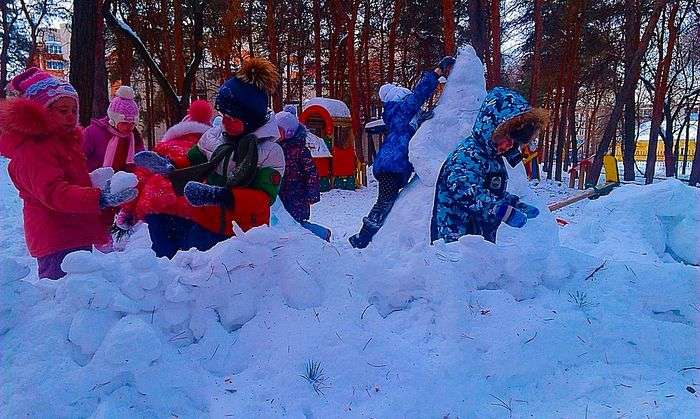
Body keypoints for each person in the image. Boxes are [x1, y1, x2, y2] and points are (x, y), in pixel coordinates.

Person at [133, 58, 285, 258]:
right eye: (223, 115)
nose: (225, 123)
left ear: (250, 121)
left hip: (245, 235)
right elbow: (193, 161)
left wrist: (219, 195)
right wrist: (170, 167)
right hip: (206, 224)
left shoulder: (269, 152)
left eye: (233, 118)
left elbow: (264, 199)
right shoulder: (214, 137)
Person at [0, 68, 138, 279]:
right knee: (63, 297)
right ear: (39, 112)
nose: (70, 117)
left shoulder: (64, 144)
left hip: (77, 229)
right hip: (55, 238)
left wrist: (95, 183)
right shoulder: (32, 150)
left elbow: (69, 181)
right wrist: (99, 198)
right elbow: (54, 192)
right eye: (63, 111)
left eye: (74, 111)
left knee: (81, 292)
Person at [349, 56, 456, 248]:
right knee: (384, 203)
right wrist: (438, 71)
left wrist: (422, 120)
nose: (411, 102)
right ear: (401, 99)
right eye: (407, 99)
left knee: (387, 202)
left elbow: (410, 131)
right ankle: (363, 238)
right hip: (392, 166)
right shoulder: (402, 110)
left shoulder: (400, 116)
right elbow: (420, 94)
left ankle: (369, 235)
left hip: (393, 165)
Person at [430, 87, 549, 244]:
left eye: (514, 143)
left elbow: (492, 192)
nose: (509, 146)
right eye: (507, 139)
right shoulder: (467, 155)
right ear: (492, 130)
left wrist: (515, 204)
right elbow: (467, 193)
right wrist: (503, 211)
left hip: (476, 237)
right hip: (454, 238)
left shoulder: (492, 157)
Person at [275, 110, 331, 241]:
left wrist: (312, 194)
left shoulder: (300, 150)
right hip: (282, 192)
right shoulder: (277, 147)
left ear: (289, 132)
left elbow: (311, 172)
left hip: (297, 195)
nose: (276, 134)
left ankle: (322, 234)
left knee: (296, 224)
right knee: (285, 222)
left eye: (279, 130)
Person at [82, 85, 145, 172]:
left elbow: (141, 159)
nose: (129, 127)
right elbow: (79, 157)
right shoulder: (93, 132)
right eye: (124, 123)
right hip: (94, 181)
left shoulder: (134, 137)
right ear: (113, 120)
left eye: (132, 123)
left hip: (123, 181)